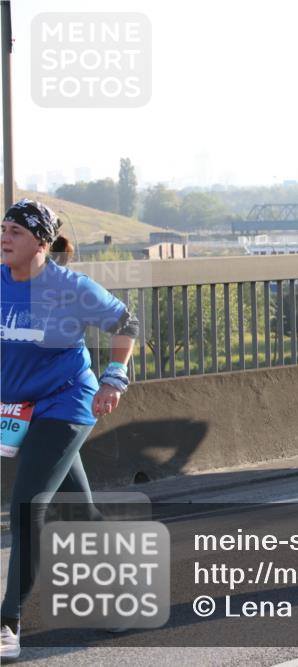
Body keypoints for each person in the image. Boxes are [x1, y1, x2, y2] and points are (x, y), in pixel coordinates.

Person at [1, 200, 138, 659]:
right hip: (17, 408)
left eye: (16, 231)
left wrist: (114, 377)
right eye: (3, 228)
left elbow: (126, 323)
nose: (4, 237)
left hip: (67, 403)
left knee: (27, 508)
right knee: (78, 509)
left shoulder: (69, 287)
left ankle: (8, 623)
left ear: (41, 242)